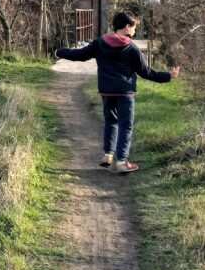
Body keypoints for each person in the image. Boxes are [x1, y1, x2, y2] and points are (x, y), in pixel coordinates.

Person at [56, 11, 180, 173]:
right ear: (127, 27)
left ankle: (108, 155)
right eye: (134, 27)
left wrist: (59, 51)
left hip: (106, 91)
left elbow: (79, 55)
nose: (135, 31)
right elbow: (146, 72)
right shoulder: (131, 48)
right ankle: (122, 162)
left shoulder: (100, 43)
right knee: (125, 126)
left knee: (111, 122)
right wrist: (168, 76)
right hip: (125, 92)